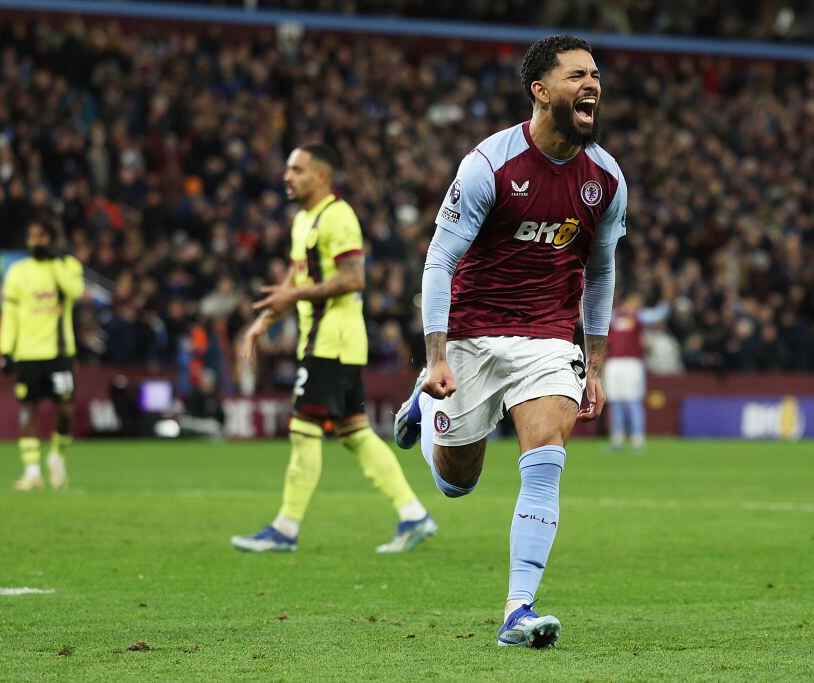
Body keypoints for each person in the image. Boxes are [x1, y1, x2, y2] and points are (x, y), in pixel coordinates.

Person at [394, 35, 626, 648]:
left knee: (545, 460)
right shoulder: (488, 165)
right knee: (457, 481)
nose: (593, 84)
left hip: (548, 338)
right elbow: (439, 261)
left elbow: (600, 272)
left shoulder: (605, 177)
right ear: (541, 90)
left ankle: (518, 610)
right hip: (471, 334)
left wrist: (595, 364)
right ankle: (424, 404)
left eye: (596, 74)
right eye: (578, 74)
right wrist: (437, 358)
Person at [233, 143, 436, 554]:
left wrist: (296, 296)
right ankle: (413, 514)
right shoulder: (302, 220)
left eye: (297, 170)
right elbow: (293, 281)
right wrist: (262, 322)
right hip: (327, 341)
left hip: (333, 341)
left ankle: (285, 529)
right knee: (355, 433)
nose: (287, 176)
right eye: (288, 169)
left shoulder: (338, 217)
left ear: (322, 176)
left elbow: (353, 278)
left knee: (303, 430)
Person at [0, 219, 85, 490]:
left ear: (52, 239)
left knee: (65, 411)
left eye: (42, 236)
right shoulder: (17, 271)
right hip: (27, 353)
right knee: (28, 411)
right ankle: (32, 472)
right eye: (32, 236)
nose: (36, 241)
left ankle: (57, 456)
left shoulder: (67, 266)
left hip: (59, 352)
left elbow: (76, 291)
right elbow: (9, 314)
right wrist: (6, 349)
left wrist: (57, 263)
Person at [604, 291, 659, 451]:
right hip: (614, 363)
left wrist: (667, 300)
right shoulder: (614, 316)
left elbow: (658, 315)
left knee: (634, 401)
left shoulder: (640, 316)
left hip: (633, 364)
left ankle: (637, 439)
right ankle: (617, 438)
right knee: (615, 401)